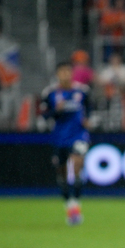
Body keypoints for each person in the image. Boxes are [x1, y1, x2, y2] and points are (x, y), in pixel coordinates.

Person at [41, 62, 91, 225]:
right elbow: (45, 116)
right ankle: (69, 205)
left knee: (77, 164)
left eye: (68, 71)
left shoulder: (82, 91)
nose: (66, 74)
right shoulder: (50, 93)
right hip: (59, 137)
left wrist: (88, 120)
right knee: (62, 172)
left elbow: (89, 111)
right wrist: (57, 110)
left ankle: (76, 204)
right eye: (62, 71)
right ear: (57, 74)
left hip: (78, 135)